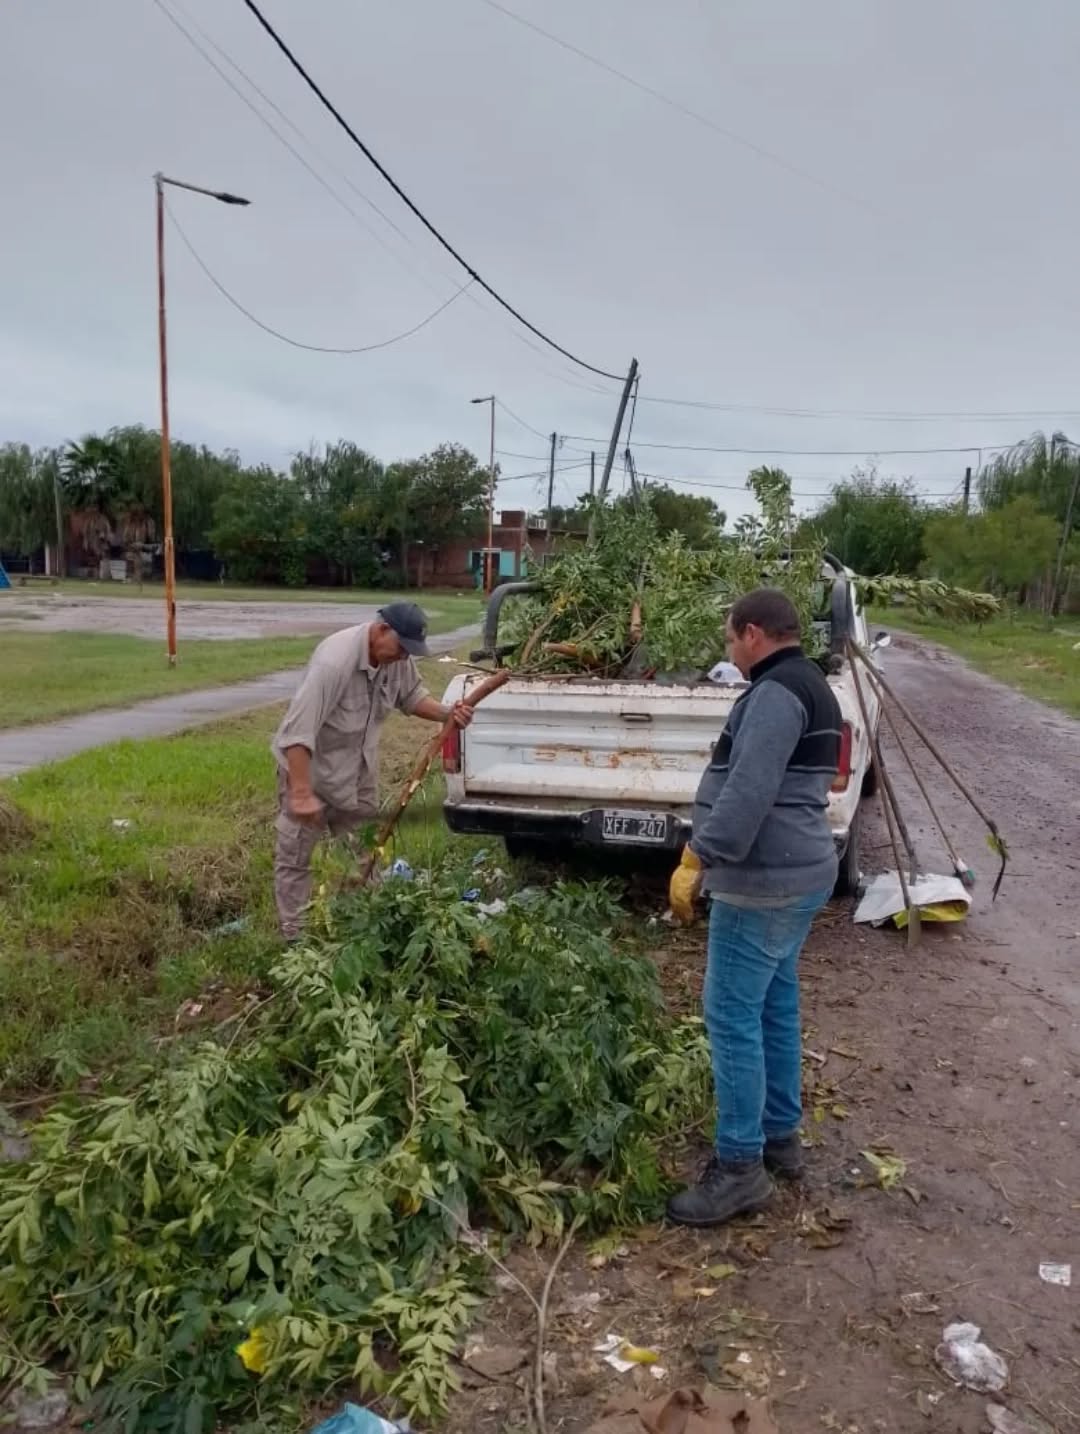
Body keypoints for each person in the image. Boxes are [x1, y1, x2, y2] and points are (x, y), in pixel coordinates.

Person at [666, 588, 842, 1226]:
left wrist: (700, 856)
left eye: (730, 638)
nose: (730, 651)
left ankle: (740, 1169)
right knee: (772, 1004)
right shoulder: (813, 683)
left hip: (765, 879)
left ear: (753, 633)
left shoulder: (774, 694)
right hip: (799, 871)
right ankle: (779, 1139)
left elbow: (749, 789)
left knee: (731, 1014)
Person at [271, 601, 472, 940]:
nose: (404, 658)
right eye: (402, 648)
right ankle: (296, 941)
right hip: (312, 774)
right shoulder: (333, 662)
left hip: (358, 774)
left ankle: (360, 930)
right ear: (381, 630)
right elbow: (297, 733)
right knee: (295, 858)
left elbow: (411, 696)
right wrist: (302, 793)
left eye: (411, 651)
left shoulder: (396, 657)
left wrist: (446, 714)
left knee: (364, 854)